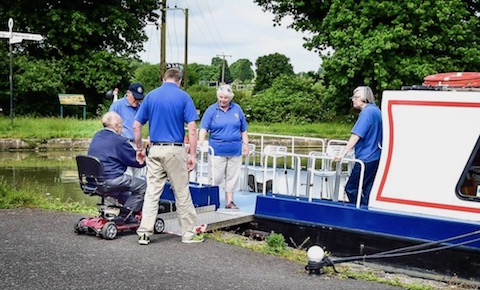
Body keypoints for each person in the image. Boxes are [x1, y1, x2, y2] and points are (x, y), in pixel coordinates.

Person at [134, 67, 203, 244]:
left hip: (155, 149)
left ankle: (144, 233)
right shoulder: (183, 97)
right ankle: (188, 234)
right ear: (179, 80)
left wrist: (140, 148)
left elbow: (136, 125)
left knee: (152, 193)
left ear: (164, 79)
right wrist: (193, 155)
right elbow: (193, 129)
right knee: (181, 192)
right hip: (175, 150)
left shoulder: (150, 96)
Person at [87, 111, 146, 222]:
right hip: (111, 179)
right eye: (121, 125)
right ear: (115, 126)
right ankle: (127, 215)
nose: (122, 128)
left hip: (93, 180)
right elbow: (137, 161)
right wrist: (147, 157)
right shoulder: (118, 140)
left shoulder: (97, 136)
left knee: (125, 189)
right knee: (143, 186)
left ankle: (124, 211)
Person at [198, 84, 249, 209]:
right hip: (217, 150)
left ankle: (229, 202)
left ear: (230, 98)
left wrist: (246, 144)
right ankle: (212, 201)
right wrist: (201, 141)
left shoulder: (237, 109)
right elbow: (204, 127)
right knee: (216, 177)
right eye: (220, 97)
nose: (223, 100)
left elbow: (244, 129)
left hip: (234, 150)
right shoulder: (211, 110)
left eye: (225, 98)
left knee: (232, 177)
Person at [334, 86, 382, 206]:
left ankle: (360, 211)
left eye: (356, 97)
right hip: (376, 157)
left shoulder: (366, 113)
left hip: (366, 158)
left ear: (364, 99)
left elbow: (356, 136)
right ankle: (368, 211)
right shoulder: (376, 110)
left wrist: (342, 154)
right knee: (367, 189)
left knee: (351, 188)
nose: (353, 100)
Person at [109, 82, 145, 177]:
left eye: (139, 98)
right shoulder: (117, 106)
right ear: (128, 93)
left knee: (140, 176)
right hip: (122, 144)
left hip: (138, 145)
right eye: (135, 97)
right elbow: (110, 128)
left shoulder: (141, 108)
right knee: (127, 176)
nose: (137, 100)